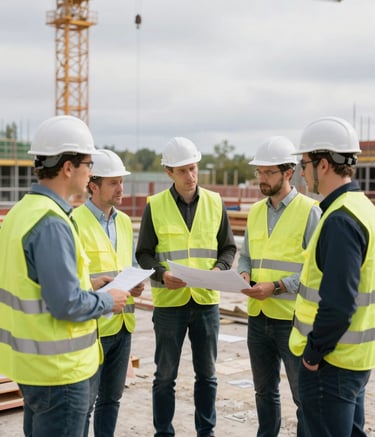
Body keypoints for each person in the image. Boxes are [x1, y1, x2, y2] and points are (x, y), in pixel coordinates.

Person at [0, 115, 130, 437]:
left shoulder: (20, 212)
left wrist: (89, 285)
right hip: (61, 374)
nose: (90, 174)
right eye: (88, 164)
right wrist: (106, 299)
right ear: (68, 167)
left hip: (31, 369)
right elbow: (66, 304)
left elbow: (36, 286)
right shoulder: (52, 222)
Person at [135, 137, 237, 437]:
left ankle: (206, 432)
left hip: (206, 303)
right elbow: (143, 254)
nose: (190, 176)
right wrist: (162, 273)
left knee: (207, 376)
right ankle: (163, 432)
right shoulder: (155, 206)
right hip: (170, 305)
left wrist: (220, 269)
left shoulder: (216, 202)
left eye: (193, 168)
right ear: (169, 172)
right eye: (183, 171)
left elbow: (228, 248)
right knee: (165, 376)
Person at [289, 116, 375, 436]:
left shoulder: (340, 220)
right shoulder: (362, 207)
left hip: (331, 363)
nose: (301, 170)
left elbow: (338, 303)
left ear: (323, 165)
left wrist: (312, 355)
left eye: (305, 162)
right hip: (354, 359)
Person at [238, 136, 321, 437]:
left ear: (289, 172)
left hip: (293, 321)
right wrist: (244, 275)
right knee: (264, 393)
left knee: (304, 398)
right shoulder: (256, 211)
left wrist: (275, 287)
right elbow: (245, 256)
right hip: (258, 319)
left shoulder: (309, 211)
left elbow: (316, 272)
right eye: (260, 172)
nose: (262, 179)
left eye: (269, 172)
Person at [72, 149, 145, 437]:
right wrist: (94, 282)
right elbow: (72, 277)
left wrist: (136, 283)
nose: (120, 189)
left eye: (121, 182)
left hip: (123, 324)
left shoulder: (125, 222)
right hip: (94, 327)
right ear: (93, 185)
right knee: (85, 404)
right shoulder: (75, 221)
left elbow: (129, 264)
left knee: (111, 400)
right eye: (113, 183)